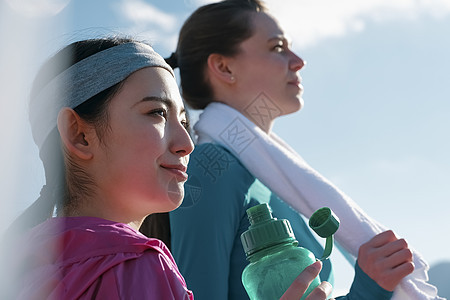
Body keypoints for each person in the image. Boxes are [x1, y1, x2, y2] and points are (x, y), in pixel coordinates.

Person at [1, 36, 333, 300]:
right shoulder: (135, 263)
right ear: (79, 134)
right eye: (157, 113)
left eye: (185, 121)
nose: (186, 143)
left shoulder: (20, 264)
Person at [167, 0, 441, 299]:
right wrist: (368, 288)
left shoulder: (272, 178)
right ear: (224, 67)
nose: (298, 61)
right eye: (277, 47)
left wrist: (372, 283)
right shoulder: (211, 167)